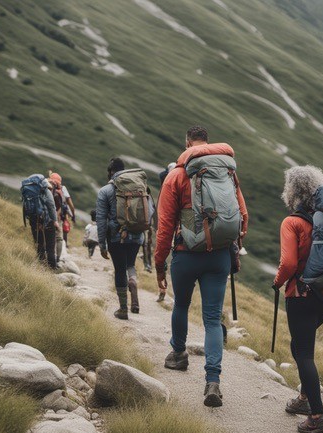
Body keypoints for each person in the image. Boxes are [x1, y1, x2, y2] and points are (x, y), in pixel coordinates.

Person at [155, 125, 248, 407]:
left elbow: (164, 227)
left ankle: (179, 355)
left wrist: (160, 264)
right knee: (211, 319)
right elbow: (243, 215)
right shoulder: (228, 172)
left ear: (187, 144)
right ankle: (212, 381)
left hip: (185, 254)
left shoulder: (176, 176)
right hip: (218, 256)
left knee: (181, 305)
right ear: (207, 144)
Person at [273, 165, 323, 433]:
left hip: (301, 295)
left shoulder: (293, 222)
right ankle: (303, 398)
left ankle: (317, 416)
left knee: (303, 352)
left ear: (292, 192)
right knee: (301, 344)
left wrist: (277, 282)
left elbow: (288, 263)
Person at [96, 158, 145, 319]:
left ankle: (123, 309)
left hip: (116, 237)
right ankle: (133, 280)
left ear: (110, 172)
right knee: (130, 264)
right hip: (137, 235)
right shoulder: (139, 186)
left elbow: (101, 220)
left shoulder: (105, 191)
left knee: (119, 269)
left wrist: (102, 244)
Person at [23, 174, 59, 269]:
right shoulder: (46, 192)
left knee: (39, 244)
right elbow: (51, 206)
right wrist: (55, 221)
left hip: (33, 220)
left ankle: (41, 268)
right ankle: (52, 269)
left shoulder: (28, 191)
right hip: (47, 221)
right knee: (50, 246)